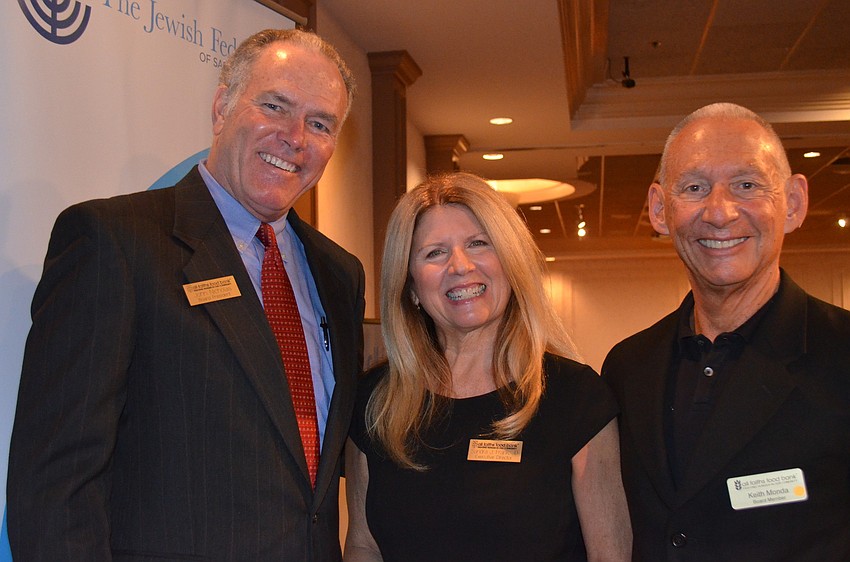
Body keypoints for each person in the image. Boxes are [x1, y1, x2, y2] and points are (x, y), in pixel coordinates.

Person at [7, 28, 365, 561]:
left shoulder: (339, 274)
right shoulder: (116, 243)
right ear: (222, 108)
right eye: (275, 106)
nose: (295, 137)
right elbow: (56, 485)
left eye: (320, 124)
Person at [602, 102, 850, 561]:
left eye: (747, 185)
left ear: (793, 203)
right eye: (694, 188)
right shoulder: (627, 367)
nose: (719, 212)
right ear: (659, 209)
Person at [344, 172, 632, 562]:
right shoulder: (374, 403)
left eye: (479, 243)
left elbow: (609, 555)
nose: (460, 266)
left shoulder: (577, 397)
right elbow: (363, 545)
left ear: (510, 263)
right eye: (434, 253)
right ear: (410, 287)